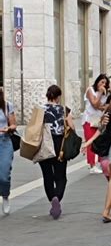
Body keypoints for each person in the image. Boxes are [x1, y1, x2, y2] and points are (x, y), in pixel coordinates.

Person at [39, 85, 74, 219]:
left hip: (44, 145)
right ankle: (57, 198)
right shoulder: (64, 110)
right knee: (61, 176)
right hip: (59, 145)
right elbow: (71, 127)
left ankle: (52, 197)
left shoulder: (40, 109)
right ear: (58, 96)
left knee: (47, 175)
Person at [83, 74, 110, 173]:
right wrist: (99, 94)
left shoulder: (106, 94)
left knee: (99, 140)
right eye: (101, 82)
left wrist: (100, 105)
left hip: (99, 120)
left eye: (105, 83)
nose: (103, 84)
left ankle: (99, 162)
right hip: (89, 119)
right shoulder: (91, 90)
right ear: (97, 81)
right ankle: (92, 165)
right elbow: (94, 104)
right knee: (90, 141)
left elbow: (105, 106)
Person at [0, 88, 17, 215]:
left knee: (4, 175)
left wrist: (8, 128)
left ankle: (5, 195)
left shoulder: (6, 106)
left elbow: (13, 125)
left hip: (4, 142)